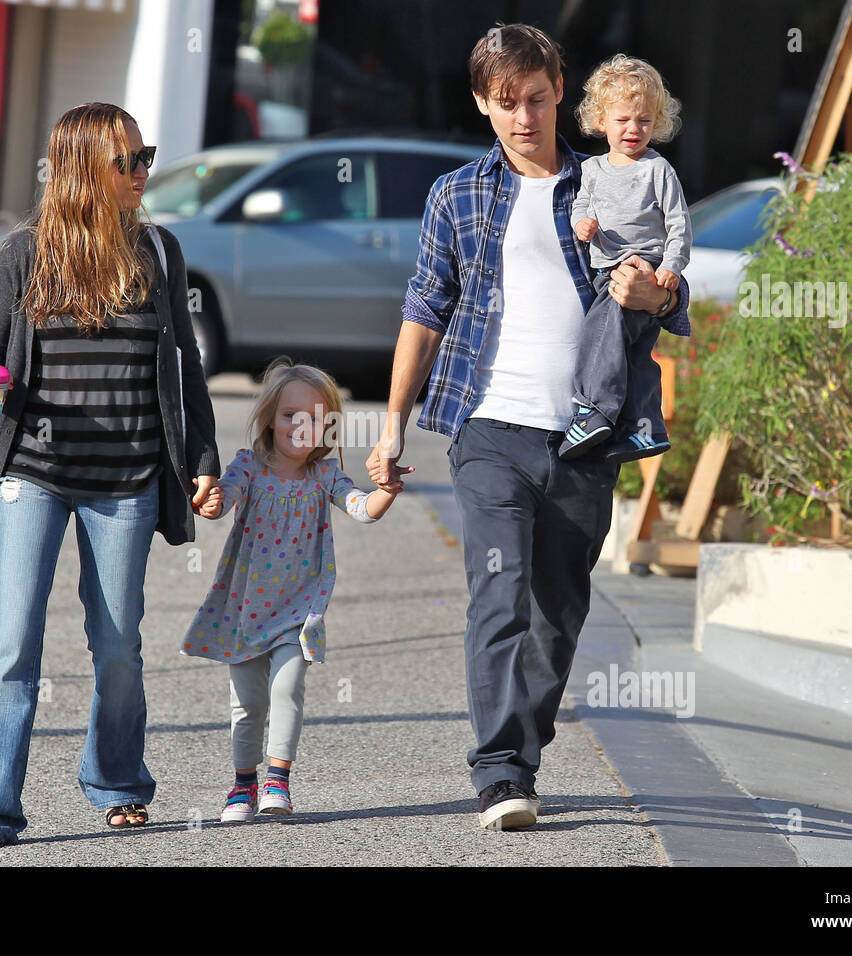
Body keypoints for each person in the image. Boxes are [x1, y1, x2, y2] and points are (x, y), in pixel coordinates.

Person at [367, 23, 691, 831]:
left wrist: (653, 292)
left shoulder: (608, 180)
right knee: (498, 592)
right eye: (506, 102)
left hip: (585, 432)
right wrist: (391, 425)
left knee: (559, 612)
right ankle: (501, 771)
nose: (524, 117)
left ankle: (521, 751)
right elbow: (424, 308)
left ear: (560, 92)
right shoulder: (457, 195)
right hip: (489, 429)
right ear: (483, 103)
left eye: (538, 99)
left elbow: (665, 283)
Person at [0, 102, 220, 848]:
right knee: (12, 646)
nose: (141, 172)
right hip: (32, 471)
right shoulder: (23, 254)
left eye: (145, 157)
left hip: (127, 477)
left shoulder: (159, 252)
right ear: (79, 170)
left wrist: (203, 461)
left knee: (118, 645)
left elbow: (186, 368)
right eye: (125, 161)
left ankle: (118, 780)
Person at [184, 358, 400, 821]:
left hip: (299, 611)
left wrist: (388, 490)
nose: (300, 426)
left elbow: (362, 509)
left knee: (287, 688)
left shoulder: (324, 476)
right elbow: (222, 502)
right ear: (269, 418)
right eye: (289, 415)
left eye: (314, 419)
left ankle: (277, 781)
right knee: (248, 704)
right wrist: (211, 500)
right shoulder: (249, 467)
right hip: (245, 609)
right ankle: (243, 784)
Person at [558, 54, 692, 463]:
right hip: (606, 267)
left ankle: (594, 409)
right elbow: (581, 205)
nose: (634, 129)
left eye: (644, 121)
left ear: (658, 122)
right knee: (633, 352)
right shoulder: (594, 169)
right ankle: (644, 429)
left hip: (641, 267)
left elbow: (679, 223)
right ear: (601, 120)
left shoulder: (658, 169)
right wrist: (581, 223)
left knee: (601, 331)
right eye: (623, 120)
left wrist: (670, 266)